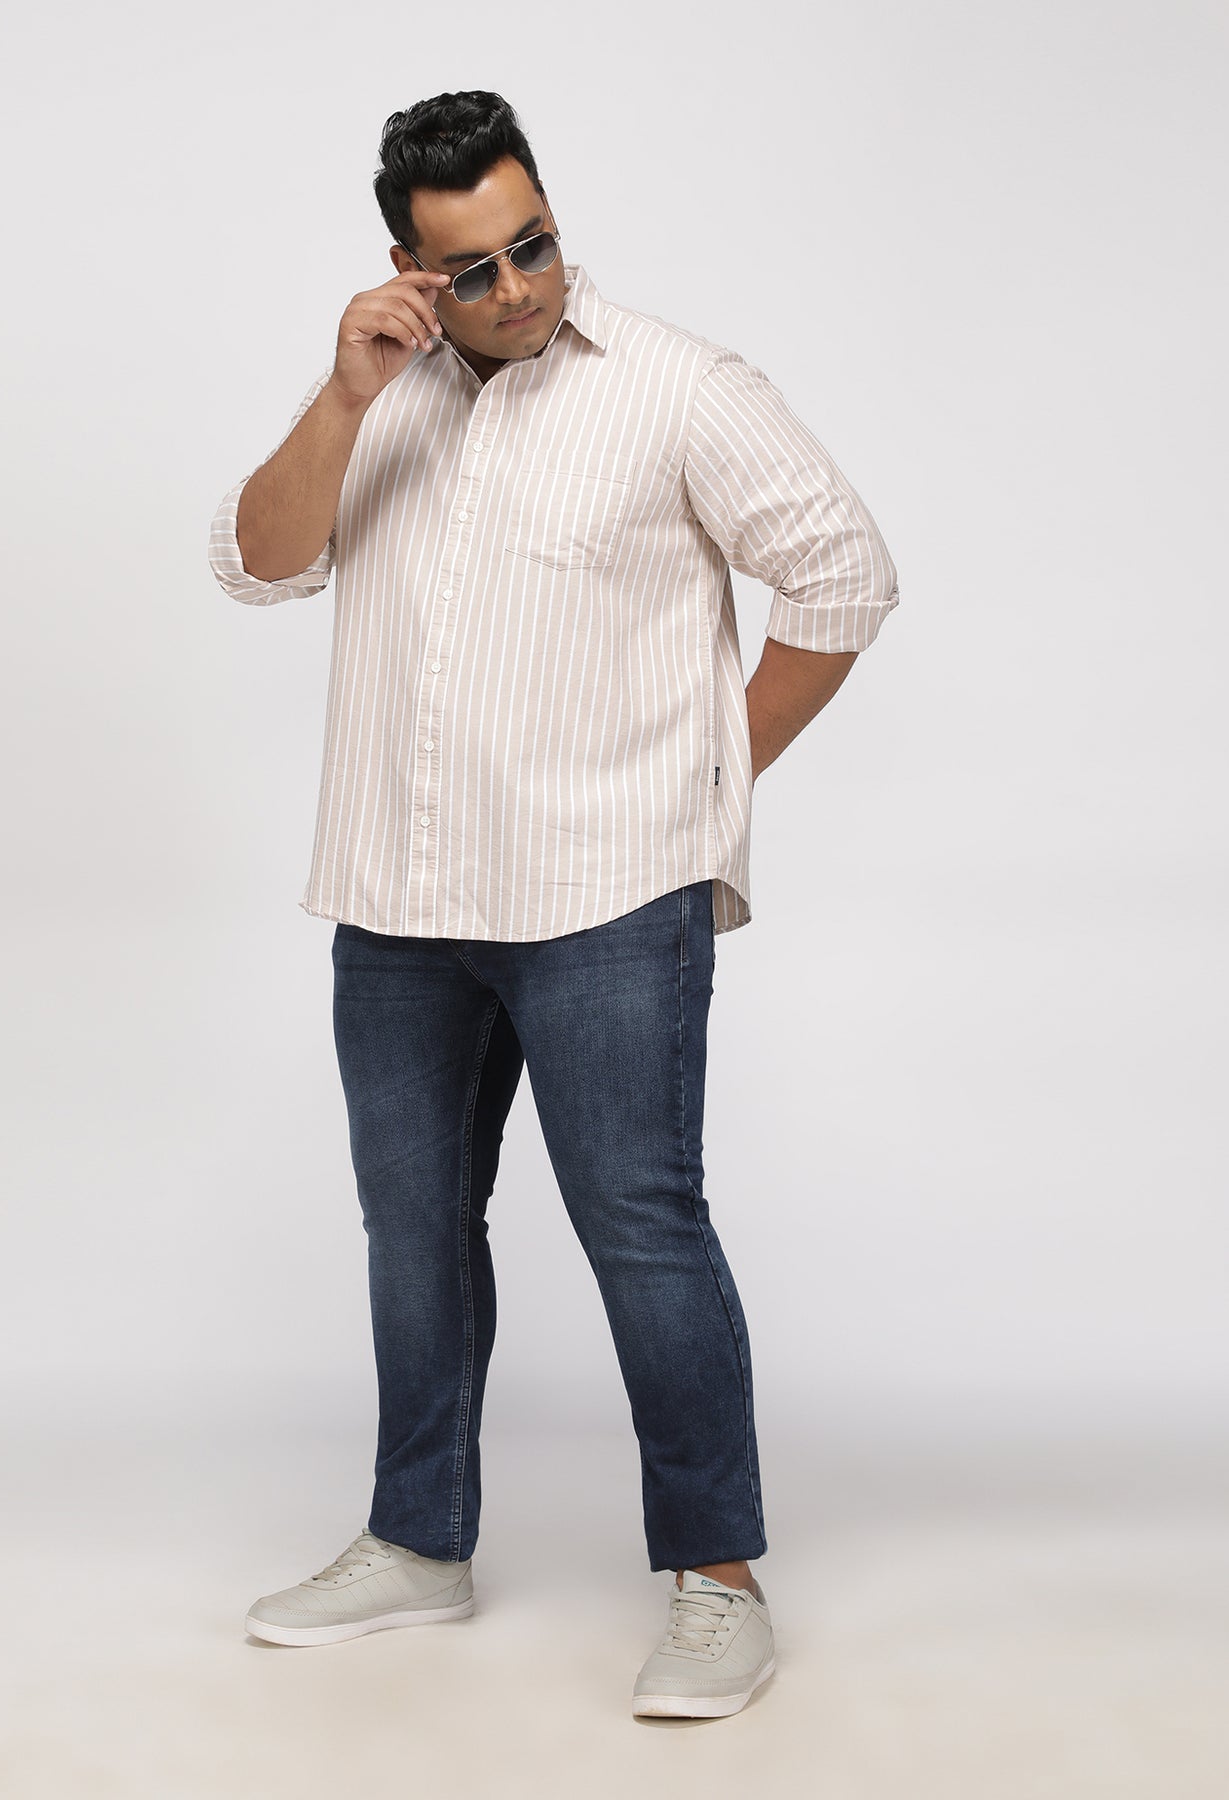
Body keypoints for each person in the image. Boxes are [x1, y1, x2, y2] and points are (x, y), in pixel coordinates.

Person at [208, 89, 899, 1720]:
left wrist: (704, 784)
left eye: (534, 243)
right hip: (397, 896)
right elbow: (257, 563)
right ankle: (416, 1540)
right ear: (411, 267)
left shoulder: (676, 385)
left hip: (604, 896)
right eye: (473, 266)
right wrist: (343, 392)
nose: (517, 285)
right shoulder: (377, 396)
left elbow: (844, 572)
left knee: (641, 1227)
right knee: (413, 1229)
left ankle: (716, 1582)